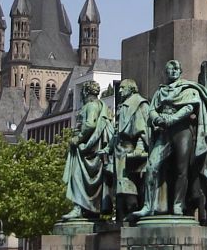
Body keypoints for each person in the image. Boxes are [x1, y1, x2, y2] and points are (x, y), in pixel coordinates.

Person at [134, 60, 207, 218]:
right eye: (170, 69)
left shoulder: (189, 89)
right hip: (164, 131)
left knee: (181, 169)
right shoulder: (160, 91)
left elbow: (190, 107)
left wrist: (173, 119)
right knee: (151, 166)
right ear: (166, 72)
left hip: (183, 130)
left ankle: (178, 204)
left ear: (181, 71)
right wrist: (157, 119)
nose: (174, 71)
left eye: (177, 69)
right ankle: (148, 206)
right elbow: (152, 110)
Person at [61, 81, 115, 220]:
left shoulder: (90, 106)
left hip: (86, 150)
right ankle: (90, 209)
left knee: (76, 176)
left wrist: (77, 139)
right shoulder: (102, 106)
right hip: (95, 149)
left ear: (85, 92)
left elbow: (90, 124)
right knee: (91, 182)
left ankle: (78, 207)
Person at [101, 78, 150, 222]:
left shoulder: (138, 104)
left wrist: (140, 149)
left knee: (129, 186)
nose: (120, 90)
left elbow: (143, 130)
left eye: (123, 88)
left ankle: (132, 213)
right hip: (119, 152)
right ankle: (121, 218)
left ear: (131, 88)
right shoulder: (123, 106)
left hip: (131, 152)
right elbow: (116, 133)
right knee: (120, 188)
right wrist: (107, 149)